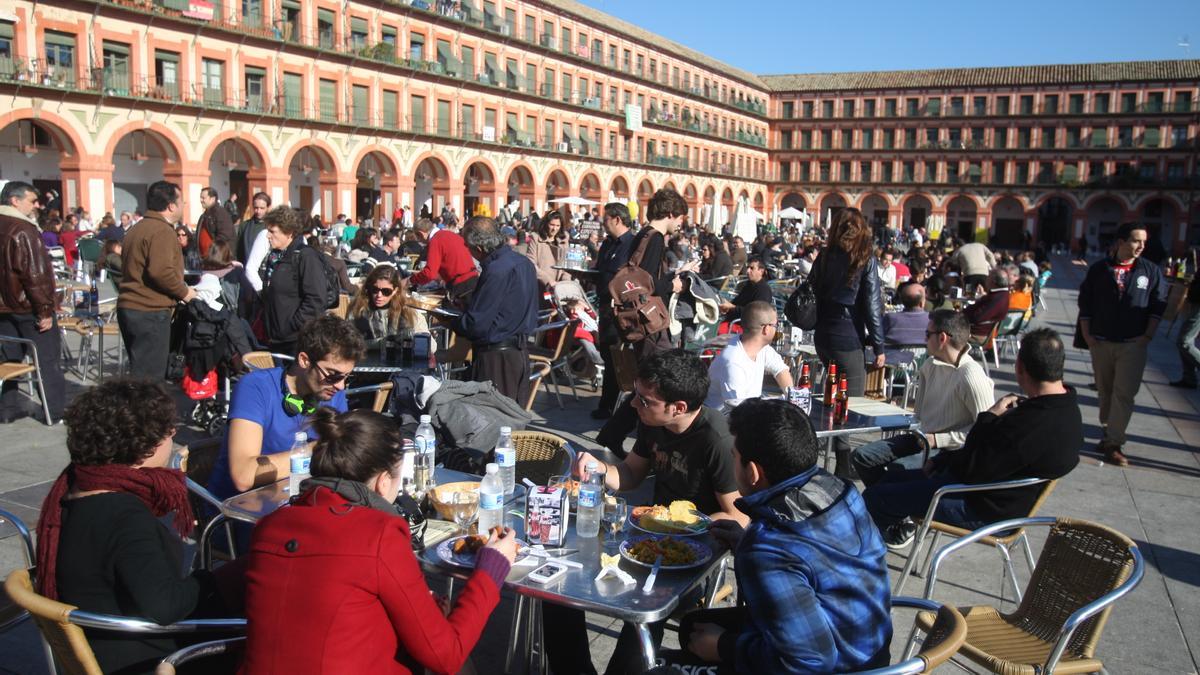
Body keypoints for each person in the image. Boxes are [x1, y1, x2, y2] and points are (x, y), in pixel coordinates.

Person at [241, 406, 518, 673]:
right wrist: (491, 568)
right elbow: (446, 655)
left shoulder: (270, 526)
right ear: (383, 482)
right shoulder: (379, 533)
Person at [550, 349, 746, 675]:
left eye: (644, 400)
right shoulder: (653, 422)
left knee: (644, 605)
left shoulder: (716, 439)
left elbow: (739, 515)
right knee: (560, 587)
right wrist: (599, 468)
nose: (633, 405)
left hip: (693, 560)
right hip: (644, 542)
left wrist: (688, 528)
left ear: (678, 408)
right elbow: (629, 475)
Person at [669, 398, 892, 674]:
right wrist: (744, 543)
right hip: (870, 648)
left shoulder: (766, 550)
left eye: (734, 456)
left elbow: (809, 663)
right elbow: (809, 558)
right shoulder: (839, 489)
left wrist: (725, 646)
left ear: (752, 472)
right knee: (693, 627)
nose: (731, 462)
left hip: (837, 666)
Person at [36, 379, 239, 674]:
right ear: (143, 447)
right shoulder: (124, 515)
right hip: (146, 658)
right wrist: (222, 577)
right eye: (169, 431)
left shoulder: (74, 487)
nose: (173, 435)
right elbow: (165, 606)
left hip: (103, 638)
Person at [863, 328, 1081, 549]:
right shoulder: (1068, 408)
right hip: (993, 495)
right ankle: (891, 531)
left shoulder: (1031, 423)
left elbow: (973, 470)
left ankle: (870, 560)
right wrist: (941, 461)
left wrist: (989, 416)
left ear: (1020, 368)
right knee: (889, 482)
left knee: (874, 497)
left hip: (982, 507)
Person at [208, 315, 365, 501]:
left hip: (299, 503)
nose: (340, 386)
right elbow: (244, 476)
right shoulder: (255, 387)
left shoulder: (332, 392)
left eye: (347, 377)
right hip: (240, 512)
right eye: (333, 375)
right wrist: (318, 449)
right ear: (305, 360)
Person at [852, 310, 994, 512]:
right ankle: (892, 512)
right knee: (861, 457)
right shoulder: (930, 364)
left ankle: (892, 510)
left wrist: (939, 439)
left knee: (892, 476)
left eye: (927, 334)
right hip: (921, 438)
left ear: (942, 338)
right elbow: (919, 413)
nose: (924, 339)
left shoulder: (971, 376)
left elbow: (985, 433)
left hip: (949, 451)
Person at [1077, 222, 1168, 466]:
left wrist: (1147, 336)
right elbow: (1085, 302)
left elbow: (1158, 304)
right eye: (1136, 241)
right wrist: (1088, 336)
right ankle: (1109, 431)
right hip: (1101, 342)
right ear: (1120, 242)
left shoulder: (1150, 271)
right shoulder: (1099, 269)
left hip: (1133, 343)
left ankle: (1114, 442)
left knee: (1124, 393)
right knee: (1105, 391)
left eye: (1144, 242)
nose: (1141, 246)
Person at [811, 207, 884, 476]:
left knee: (830, 394)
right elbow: (872, 306)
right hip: (848, 336)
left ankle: (820, 452)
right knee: (850, 401)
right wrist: (879, 346)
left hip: (823, 334)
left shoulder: (824, 256)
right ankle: (843, 463)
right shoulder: (865, 258)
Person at [452, 217, 538, 405]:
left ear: (479, 248)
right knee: (510, 419)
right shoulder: (524, 263)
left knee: (494, 421)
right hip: (518, 353)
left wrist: (452, 320)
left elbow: (477, 324)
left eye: (468, 246)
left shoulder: (497, 269)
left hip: (497, 357)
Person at [0, 181, 65, 424]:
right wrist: (45, 310)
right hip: (26, 306)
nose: (36, 205)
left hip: (4, 307)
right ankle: (54, 412)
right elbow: (34, 275)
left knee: (10, 357)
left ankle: (7, 407)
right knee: (46, 360)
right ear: (15, 201)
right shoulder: (22, 229)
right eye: (31, 200)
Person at [118, 181, 196, 378]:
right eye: (182, 202)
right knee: (149, 378)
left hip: (131, 307)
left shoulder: (137, 228)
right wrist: (186, 293)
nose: (183, 205)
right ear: (171, 205)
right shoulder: (161, 230)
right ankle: (145, 409)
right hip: (149, 310)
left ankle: (137, 407)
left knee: (140, 371)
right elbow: (160, 272)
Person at [261, 206, 329, 355]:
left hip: (296, 342)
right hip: (276, 339)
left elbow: (316, 300)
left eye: (272, 231)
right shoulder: (275, 257)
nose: (267, 235)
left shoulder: (305, 256)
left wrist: (292, 327)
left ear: (289, 232)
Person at [704, 301, 793, 410]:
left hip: (747, 411)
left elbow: (780, 370)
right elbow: (740, 411)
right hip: (726, 420)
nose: (777, 329)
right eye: (776, 325)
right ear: (766, 329)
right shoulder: (733, 363)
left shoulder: (761, 348)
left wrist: (792, 399)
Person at [591, 202, 635, 419]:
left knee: (617, 357)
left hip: (620, 309)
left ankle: (609, 405)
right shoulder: (607, 243)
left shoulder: (632, 243)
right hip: (604, 306)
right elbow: (599, 269)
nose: (603, 223)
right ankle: (607, 402)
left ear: (617, 219)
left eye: (606, 219)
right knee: (607, 352)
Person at [347, 264, 428, 345]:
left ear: (395, 290)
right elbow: (348, 341)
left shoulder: (407, 309)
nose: (379, 295)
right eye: (375, 289)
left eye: (386, 291)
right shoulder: (358, 307)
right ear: (369, 287)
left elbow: (427, 344)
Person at [408, 216, 479, 303]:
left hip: (461, 285)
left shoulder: (436, 240)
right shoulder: (451, 234)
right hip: (473, 280)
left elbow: (429, 274)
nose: (420, 241)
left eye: (418, 237)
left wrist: (410, 280)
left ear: (421, 234)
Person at [524, 210, 570, 292]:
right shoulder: (536, 238)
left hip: (561, 288)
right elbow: (531, 264)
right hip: (541, 286)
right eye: (552, 225)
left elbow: (568, 264)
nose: (554, 229)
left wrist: (565, 281)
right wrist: (548, 281)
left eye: (557, 225)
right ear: (546, 224)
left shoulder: (564, 240)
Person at [963, 268, 1012, 341]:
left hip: (977, 334)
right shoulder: (1001, 294)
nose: (986, 280)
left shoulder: (997, 298)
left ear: (993, 281)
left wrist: (960, 316)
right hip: (981, 331)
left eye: (988, 277)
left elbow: (977, 317)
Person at [718, 257, 773, 322]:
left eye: (752, 268)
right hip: (733, 320)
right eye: (747, 268)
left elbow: (756, 313)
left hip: (745, 326)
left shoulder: (764, 290)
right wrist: (727, 306)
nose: (748, 271)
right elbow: (737, 302)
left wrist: (732, 307)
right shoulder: (749, 285)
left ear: (761, 271)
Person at [1171, 272, 1200, 389]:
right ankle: (1189, 378)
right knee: (1184, 341)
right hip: (1195, 301)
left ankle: (1190, 378)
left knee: (1184, 342)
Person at [883, 281, 930, 348]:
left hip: (895, 357)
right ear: (921, 303)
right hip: (925, 358)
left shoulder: (890, 319)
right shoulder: (932, 319)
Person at [196, 186, 235, 257]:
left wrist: (213, 251)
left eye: (203, 198)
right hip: (205, 259)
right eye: (200, 198)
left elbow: (224, 235)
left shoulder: (221, 213)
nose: (201, 200)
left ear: (212, 199)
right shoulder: (204, 216)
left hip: (218, 259)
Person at [235, 192, 270, 266]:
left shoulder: (273, 226)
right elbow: (239, 250)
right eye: (256, 208)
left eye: (262, 208)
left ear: (268, 207)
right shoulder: (244, 226)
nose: (258, 211)